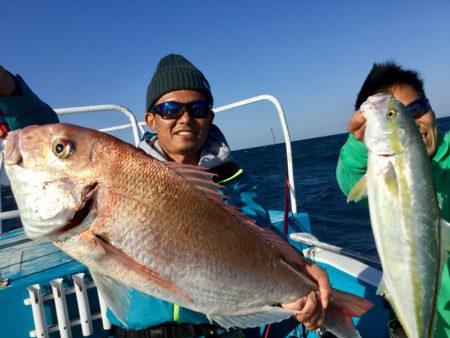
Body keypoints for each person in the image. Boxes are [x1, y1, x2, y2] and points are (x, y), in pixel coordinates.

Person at [0, 54, 331, 337]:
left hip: (219, 329)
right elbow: (42, 131)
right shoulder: (123, 167)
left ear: (209, 117)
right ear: (150, 119)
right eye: (171, 108)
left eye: (198, 108)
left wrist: (301, 272)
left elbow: (255, 237)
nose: (185, 118)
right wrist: (10, 90)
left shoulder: (232, 179)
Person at [336, 61, 450, 338]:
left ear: (432, 109)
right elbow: (349, 178)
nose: (412, 123)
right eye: (394, 114)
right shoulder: (377, 170)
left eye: (417, 109)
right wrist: (360, 143)